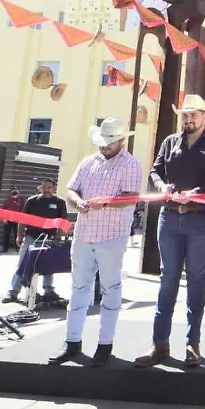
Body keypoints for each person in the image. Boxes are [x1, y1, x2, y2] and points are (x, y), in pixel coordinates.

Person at [135, 95, 205, 369]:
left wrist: (197, 194)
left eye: (194, 115)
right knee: (168, 280)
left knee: (196, 279)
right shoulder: (170, 142)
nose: (189, 119)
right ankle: (159, 343)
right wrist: (162, 186)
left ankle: (193, 342)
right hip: (169, 218)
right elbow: (155, 171)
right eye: (185, 115)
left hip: (200, 219)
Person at [49, 119, 142, 367]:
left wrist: (107, 202)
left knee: (110, 289)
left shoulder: (131, 164)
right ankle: (72, 341)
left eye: (109, 142)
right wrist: (77, 202)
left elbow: (131, 198)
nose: (105, 146)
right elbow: (70, 189)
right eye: (103, 142)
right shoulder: (88, 161)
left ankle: (104, 344)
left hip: (112, 235)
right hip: (84, 233)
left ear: (121, 140)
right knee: (79, 287)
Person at [4, 178, 68, 304]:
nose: (47, 190)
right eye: (44, 187)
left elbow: (63, 222)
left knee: (49, 265)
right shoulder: (32, 201)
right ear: (40, 188)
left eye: (49, 188)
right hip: (31, 237)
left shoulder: (60, 202)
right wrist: (19, 236)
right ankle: (13, 292)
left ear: (54, 188)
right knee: (23, 263)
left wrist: (58, 237)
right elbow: (22, 220)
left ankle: (49, 291)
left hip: (49, 239)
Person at [0, 188, 24, 253]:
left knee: (17, 234)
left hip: (17, 220)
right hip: (8, 220)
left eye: (16, 192)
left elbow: (23, 211)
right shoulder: (8, 200)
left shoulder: (21, 201)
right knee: (6, 234)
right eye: (13, 192)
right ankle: (5, 247)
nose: (15, 194)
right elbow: (3, 210)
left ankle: (17, 247)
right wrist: (4, 218)